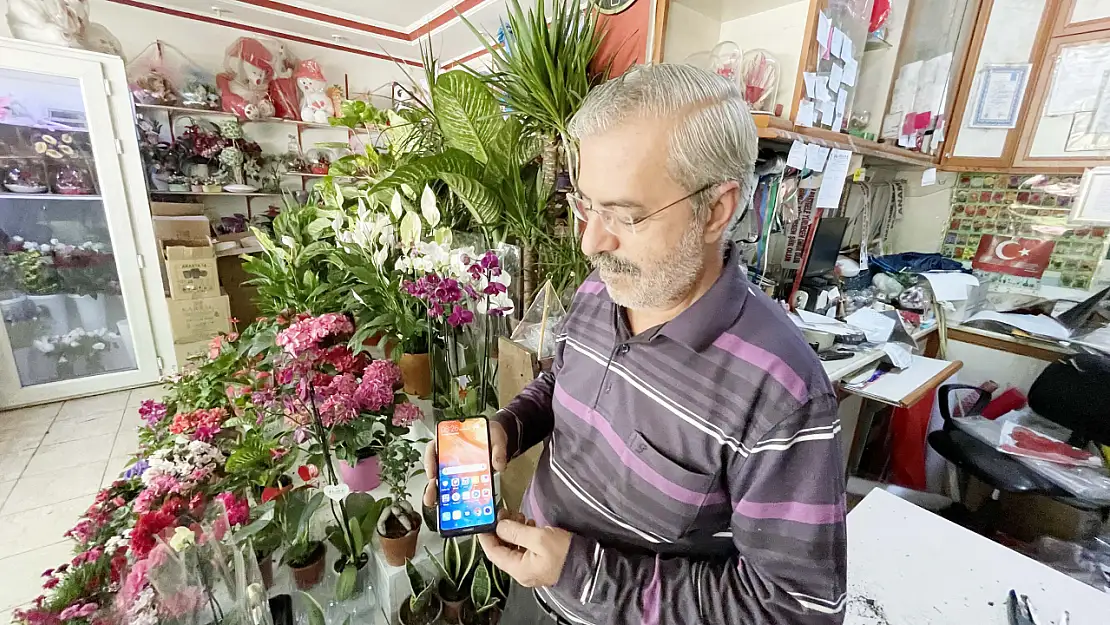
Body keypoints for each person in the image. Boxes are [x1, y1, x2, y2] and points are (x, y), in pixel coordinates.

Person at [423, 63, 846, 624]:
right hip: (533, 589)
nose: (591, 241)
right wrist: (508, 428)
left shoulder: (783, 393)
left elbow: (796, 608)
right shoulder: (604, 286)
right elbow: (563, 380)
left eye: (624, 215)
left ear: (716, 209)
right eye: (585, 206)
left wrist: (585, 575)